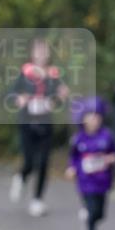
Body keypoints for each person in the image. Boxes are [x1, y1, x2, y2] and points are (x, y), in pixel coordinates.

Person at [8, 37, 69, 217]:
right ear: (32, 54)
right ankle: (21, 177)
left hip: (45, 123)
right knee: (29, 161)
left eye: (44, 51)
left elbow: (60, 98)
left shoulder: (54, 74)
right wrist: (18, 99)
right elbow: (10, 94)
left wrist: (58, 99)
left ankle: (37, 200)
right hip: (27, 123)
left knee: (43, 162)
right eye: (38, 51)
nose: (41, 54)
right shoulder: (24, 73)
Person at [66, 97, 115, 230]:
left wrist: (111, 159)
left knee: (100, 214)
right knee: (91, 212)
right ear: (82, 118)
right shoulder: (78, 139)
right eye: (90, 116)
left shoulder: (107, 136)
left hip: (103, 182)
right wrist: (72, 168)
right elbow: (73, 157)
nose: (94, 120)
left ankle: (89, 217)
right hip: (85, 182)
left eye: (97, 116)